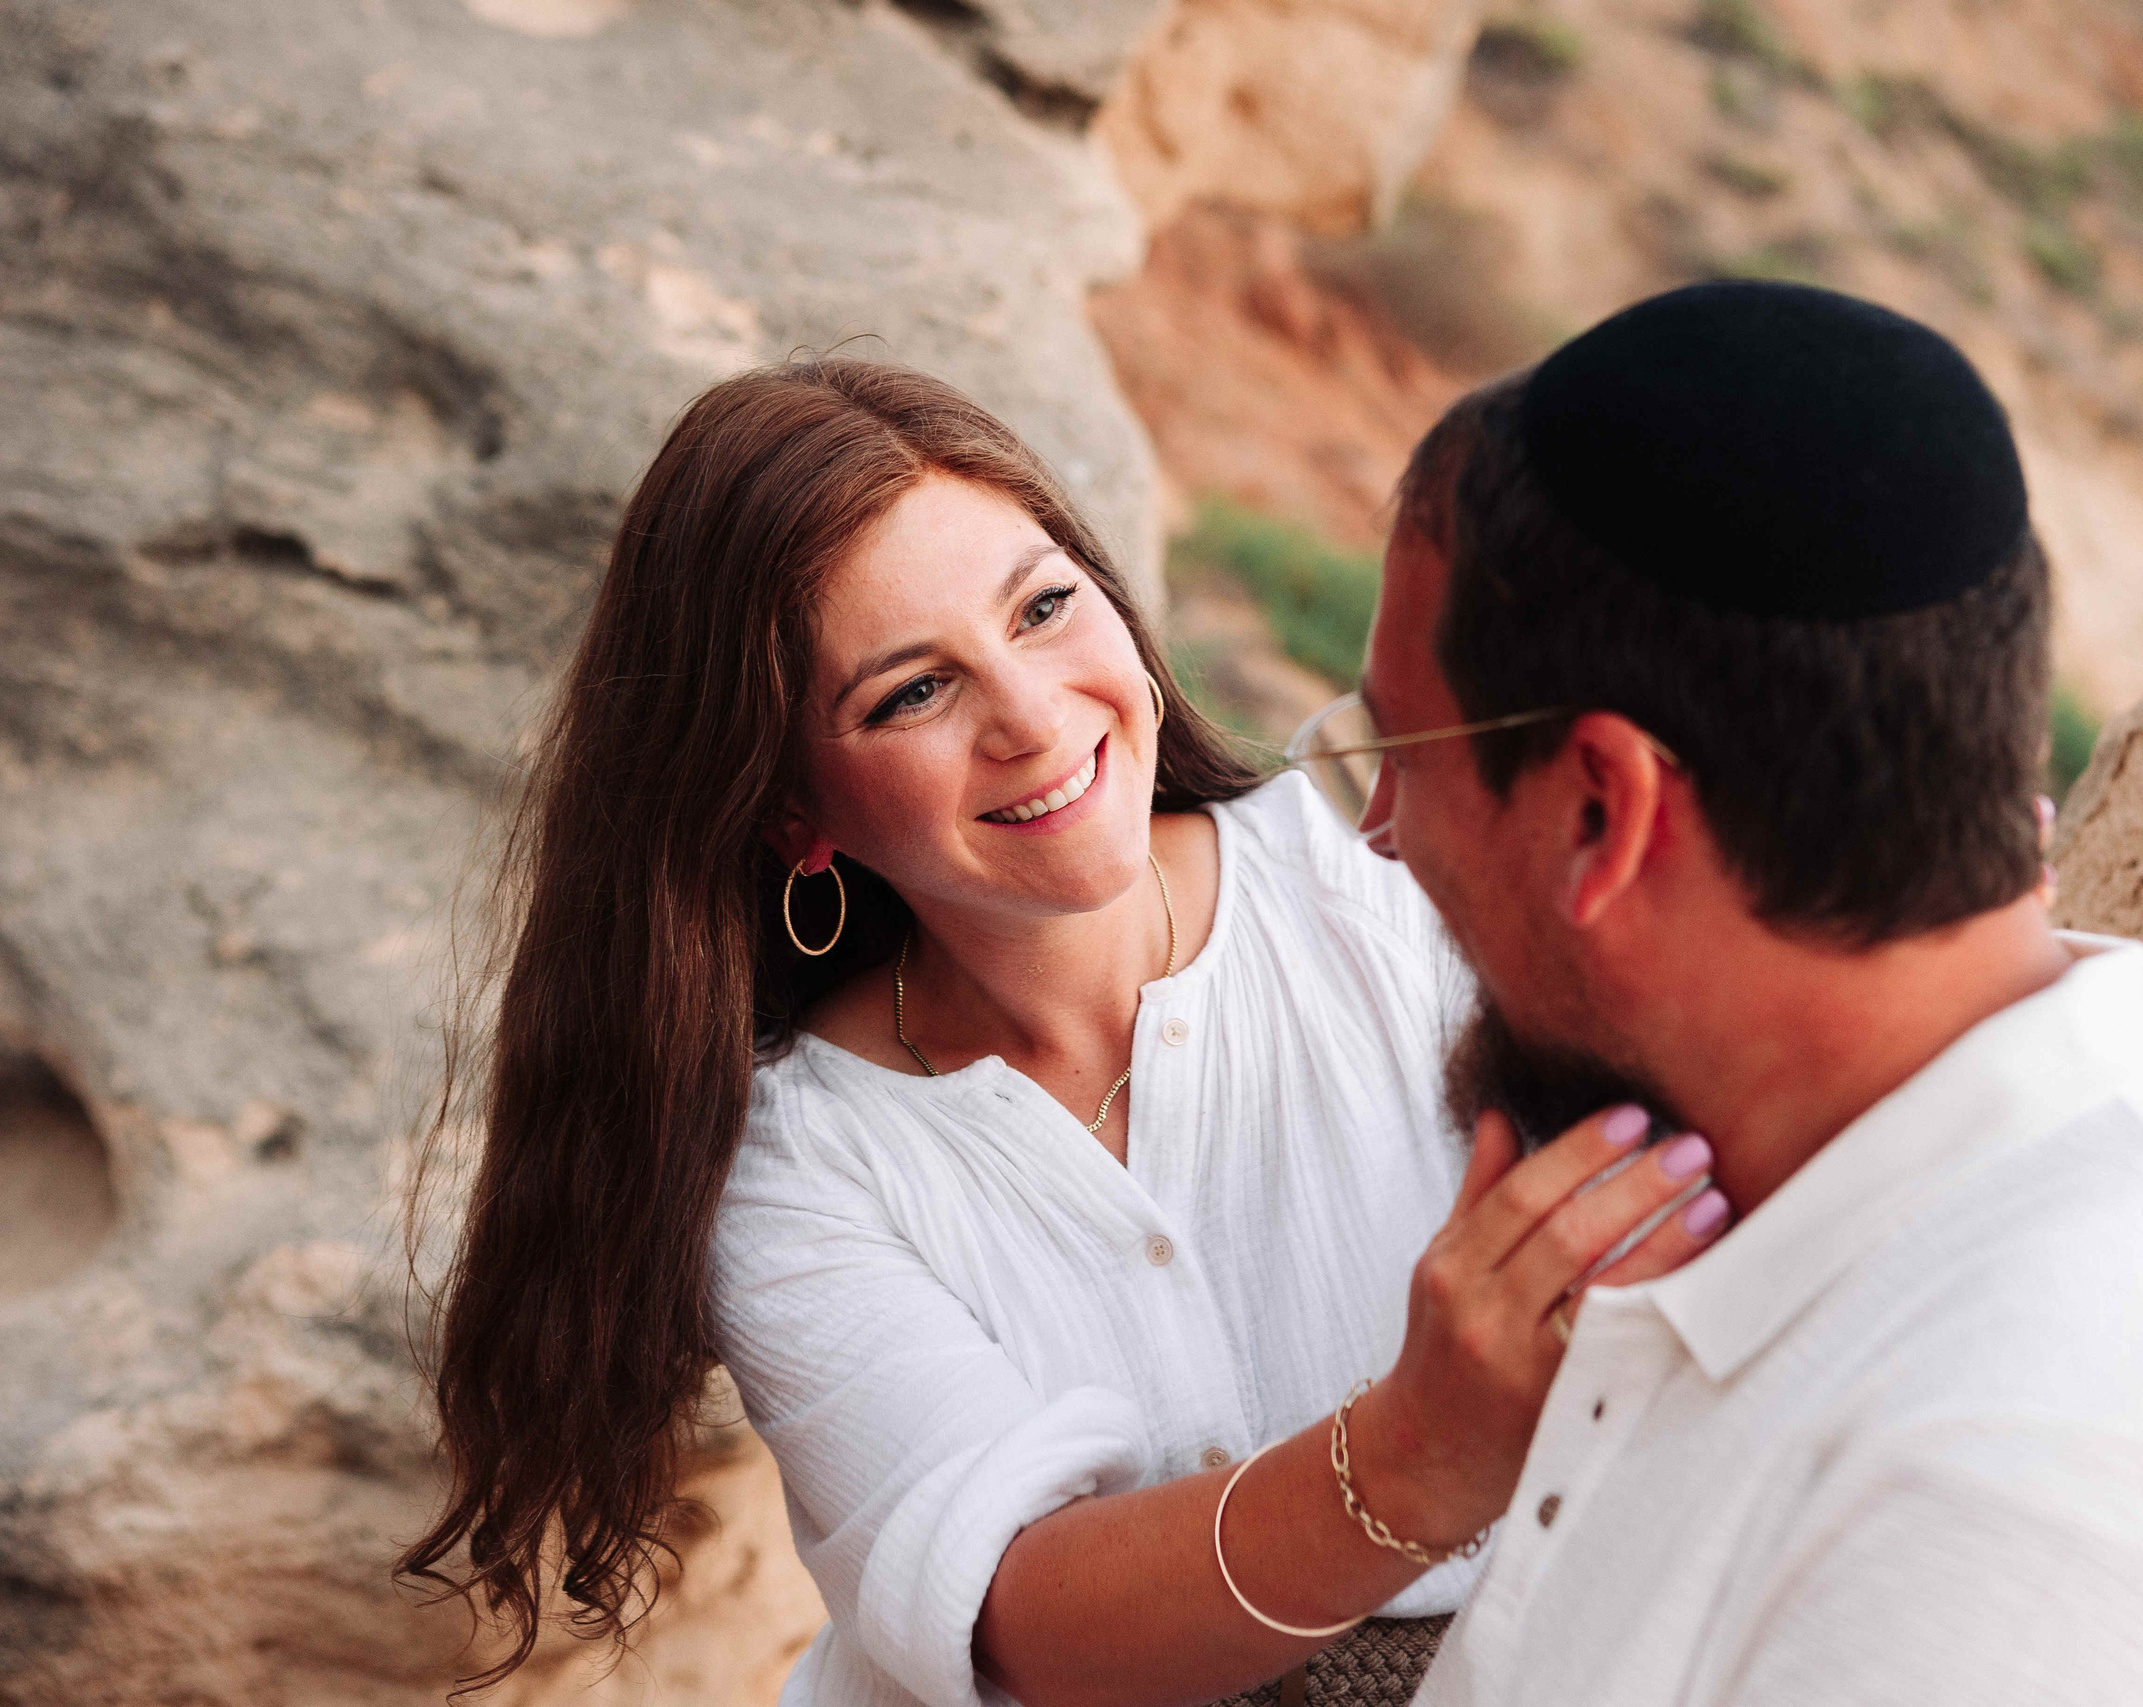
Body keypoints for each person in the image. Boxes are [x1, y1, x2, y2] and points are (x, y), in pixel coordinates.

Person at [399, 359, 1729, 1707]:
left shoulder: (1384, 879)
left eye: (1043, 608)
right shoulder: (797, 1166)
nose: (1032, 721)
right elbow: (1023, 1623)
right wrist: (1410, 1454)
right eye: (910, 694)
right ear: (796, 817)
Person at [1311, 280, 2143, 1704]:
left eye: (1399, 746)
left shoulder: (2036, 1506)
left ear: (1599, 811)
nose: (1380, 827)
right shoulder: (1804, 1226)